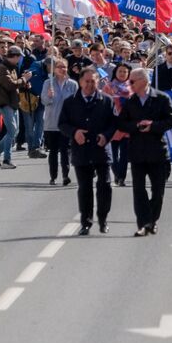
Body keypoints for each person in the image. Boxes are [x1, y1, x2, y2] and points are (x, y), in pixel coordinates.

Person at [120, 68, 172, 235]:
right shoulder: (131, 101)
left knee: (158, 190)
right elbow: (122, 123)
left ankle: (152, 219)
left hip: (157, 151)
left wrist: (153, 126)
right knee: (138, 190)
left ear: (143, 81)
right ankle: (143, 223)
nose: (129, 84)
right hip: (137, 151)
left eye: (132, 81)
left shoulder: (161, 98)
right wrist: (136, 126)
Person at [61, 66, 117, 235]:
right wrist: (74, 132)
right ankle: (86, 221)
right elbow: (62, 124)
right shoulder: (70, 102)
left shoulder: (106, 100)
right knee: (85, 187)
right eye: (87, 81)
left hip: (101, 149)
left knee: (105, 185)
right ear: (80, 82)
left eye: (93, 81)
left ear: (98, 82)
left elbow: (114, 123)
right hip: (81, 150)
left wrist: (106, 136)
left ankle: (103, 219)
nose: (90, 85)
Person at [41, 57, 76, 186]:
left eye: (64, 67)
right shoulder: (47, 83)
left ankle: (65, 175)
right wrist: (49, 96)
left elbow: (77, 103)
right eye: (59, 67)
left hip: (66, 124)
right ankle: (53, 176)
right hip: (51, 123)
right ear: (54, 69)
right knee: (53, 152)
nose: (62, 69)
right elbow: (44, 101)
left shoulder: (72, 84)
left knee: (66, 151)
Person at [0, 46, 25, 169]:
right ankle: (6, 160)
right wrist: (24, 79)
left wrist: (24, 84)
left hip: (13, 102)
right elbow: (10, 85)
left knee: (15, 130)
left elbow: (15, 85)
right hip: (4, 102)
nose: (20, 59)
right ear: (14, 56)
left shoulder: (12, 68)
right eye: (19, 57)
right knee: (12, 131)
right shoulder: (1, 68)